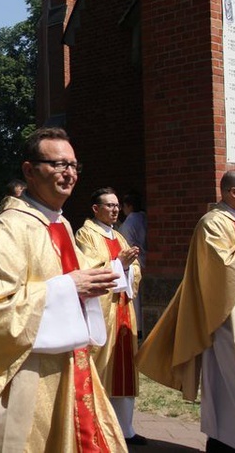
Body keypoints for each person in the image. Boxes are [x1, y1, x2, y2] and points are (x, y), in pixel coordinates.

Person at [0, 127, 126, 452]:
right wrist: (68, 287)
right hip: (26, 373)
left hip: (71, 369)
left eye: (73, 165)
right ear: (30, 171)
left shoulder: (59, 225)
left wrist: (101, 278)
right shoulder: (9, 228)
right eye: (58, 164)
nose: (69, 173)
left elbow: (79, 281)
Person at [136, 170, 235, 452]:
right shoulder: (212, 224)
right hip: (225, 318)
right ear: (230, 192)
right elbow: (222, 272)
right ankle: (228, 441)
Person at [75, 187, 144, 445]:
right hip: (103, 311)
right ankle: (99, 427)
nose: (115, 210)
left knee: (125, 368)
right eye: (109, 206)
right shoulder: (86, 234)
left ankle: (126, 428)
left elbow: (134, 268)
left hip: (124, 308)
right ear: (96, 209)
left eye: (117, 206)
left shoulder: (118, 236)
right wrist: (120, 265)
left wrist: (129, 266)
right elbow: (87, 267)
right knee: (103, 366)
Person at [119, 190, 147, 339]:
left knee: (135, 299)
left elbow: (125, 246)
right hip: (147, 260)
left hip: (136, 264)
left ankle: (139, 329)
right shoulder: (145, 218)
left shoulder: (128, 224)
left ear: (128, 206)